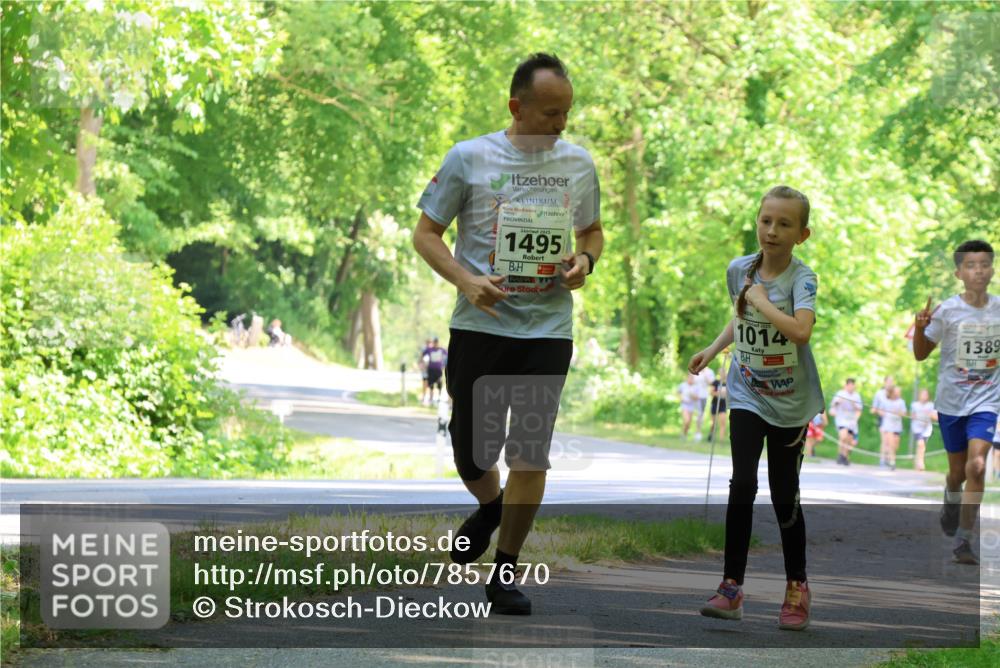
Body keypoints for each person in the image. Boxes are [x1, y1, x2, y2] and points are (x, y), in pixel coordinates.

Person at [412, 53, 602, 615]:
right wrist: (468, 282)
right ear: (516, 107)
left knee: (530, 453)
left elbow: (591, 232)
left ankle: (505, 571)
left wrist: (585, 264)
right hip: (481, 323)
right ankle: (490, 507)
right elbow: (426, 235)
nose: (560, 124)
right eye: (549, 113)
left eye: (566, 113)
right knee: (473, 451)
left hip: (547, 329)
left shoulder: (578, 164)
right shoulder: (468, 157)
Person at [688, 185, 822, 631]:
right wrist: (711, 350)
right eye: (767, 221)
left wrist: (763, 300)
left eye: (785, 224)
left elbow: (801, 331)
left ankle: (797, 587)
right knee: (742, 482)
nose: (773, 230)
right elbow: (741, 316)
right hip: (746, 390)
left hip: (789, 401)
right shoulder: (738, 270)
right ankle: (731, 588)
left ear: (801, 234)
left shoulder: (802, 279)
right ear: (757, 222)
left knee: (785, 492)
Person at [913, 239, 999, 565]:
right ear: (959, 272)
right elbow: (921, 354)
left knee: (977, 466)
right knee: (956, 474)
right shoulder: (947, 310)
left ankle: (964, 540)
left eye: (984, 264)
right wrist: (921, 330)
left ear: (991, 270)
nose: (978, 271)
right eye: (971, 265)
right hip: (951, 402)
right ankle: (951, 497)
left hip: (986, 402)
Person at [830, 378, 862, 466]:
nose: (852, 387)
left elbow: (859, 409)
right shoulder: (840, 393)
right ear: (847, 385)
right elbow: (833, 405)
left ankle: (845, 456)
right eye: (850, 385)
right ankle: (840, 454)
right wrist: (839, 401)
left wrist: (853, 405)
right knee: (843, 436)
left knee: (849, 439)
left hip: (852, 419)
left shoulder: (856, 396)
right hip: (841, 418)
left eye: (853, 386)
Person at [878, 385, 907, 470]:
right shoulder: (885, 401)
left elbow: (904, 413)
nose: (897, 394)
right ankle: (892, 462)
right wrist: (885, 413)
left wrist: (898, 413)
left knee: (895, 445)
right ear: (892, 392)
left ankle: (887, 456)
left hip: (897, 426)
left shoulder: (901, 402)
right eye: (896, 392)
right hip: (887, 426)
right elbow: (880, 410)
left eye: (898, 392)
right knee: (890, 443)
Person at [910, 388, 937, 472]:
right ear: (919, 395)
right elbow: (912, 415)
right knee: (920, 444)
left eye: (926, 394)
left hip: (927, 428)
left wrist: (930, 415)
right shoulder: (914, 405)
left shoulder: (931, 405)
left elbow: (936, 418)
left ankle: (917, 462)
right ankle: (921, 463)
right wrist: (913, 416)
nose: (924, 396)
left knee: (922, 446)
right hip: (917, 427)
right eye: (922, 394)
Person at [872, 375, 896, 467]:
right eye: (889, 381)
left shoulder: (895, 393)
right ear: (885, 382)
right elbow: (874, 408)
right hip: (883, 419)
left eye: (892, 381)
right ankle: (883, 459)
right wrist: (879, 411)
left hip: (893, 420)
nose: (890, 383)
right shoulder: (879, 393)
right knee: (885, 440)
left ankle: (889, 458)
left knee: (892, 441)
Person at [422, 337, 447, 405]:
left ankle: (438, 398)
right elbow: (423, 354)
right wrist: (423, 363)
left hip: (438, 369)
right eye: (434, 342)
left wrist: (444, 364)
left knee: (439, 384)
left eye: (437, 342)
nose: (436, 344)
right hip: (431, 369)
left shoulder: (442, 350)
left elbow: (447, 355)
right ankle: (431, 398)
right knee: (431, 384)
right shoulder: (429, 350)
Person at [678, 374, 702, 440]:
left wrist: (692, 395)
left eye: (692, 378)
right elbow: (678, 393)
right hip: (684, 405)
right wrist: (680, 398)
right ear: (687, 378)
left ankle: (684, 434)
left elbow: (697, 397)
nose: (691, 380)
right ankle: (683, 434)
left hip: (692, 405)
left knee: (689, 423)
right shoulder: (682, 385)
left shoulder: (696, 387)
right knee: (686, 420)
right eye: (689, 378)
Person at [709, 376, 728, 443]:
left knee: (723, 422)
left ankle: (721, 440)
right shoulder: (716, 382)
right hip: (715, 404)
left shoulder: (727, 384)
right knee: (713, 423)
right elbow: (711, 392)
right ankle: (711, 435)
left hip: (723, 405)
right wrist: (719, 393)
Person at [418, 338, 432, 405]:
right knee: (424, 384)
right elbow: (421, 359)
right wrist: (421, 365)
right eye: (428, 343)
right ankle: (424, 398)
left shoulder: (431, 350)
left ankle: (428, 398)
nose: (428, 344)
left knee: (429, 385)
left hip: (430, 370)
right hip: (425, 370)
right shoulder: (425, 350)